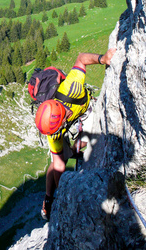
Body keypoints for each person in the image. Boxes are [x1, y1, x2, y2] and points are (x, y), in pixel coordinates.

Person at [35, 48, 116, 220]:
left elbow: (81, 59)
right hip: (68, 119)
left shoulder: (72, 87)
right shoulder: (53, 131)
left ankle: (75, 149)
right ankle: (48, 198)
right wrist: (64, 191)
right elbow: (58, 165)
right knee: (60, 158)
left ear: (63, 120)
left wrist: (104, 58)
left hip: (85, 111)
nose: (54, 135)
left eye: (56, 131)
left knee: (84, 142)